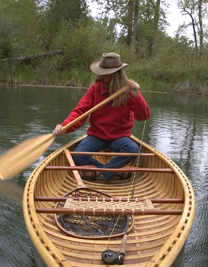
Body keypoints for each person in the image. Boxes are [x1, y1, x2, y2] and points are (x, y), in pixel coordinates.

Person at [53, 52, 150, 182]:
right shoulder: (95, 89)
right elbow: (80, 112)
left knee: (132, 149)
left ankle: (101, 173)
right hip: (96, 135)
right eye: (102, 71)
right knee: (77, 155)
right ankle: (111, 172)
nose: (103, 74)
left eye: (106, 71)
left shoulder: (128, 90)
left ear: (116, 72)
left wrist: (136, 94)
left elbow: (143, 116)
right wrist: (65, 126)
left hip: (120, 136)